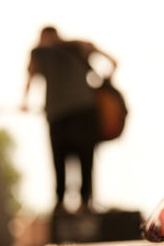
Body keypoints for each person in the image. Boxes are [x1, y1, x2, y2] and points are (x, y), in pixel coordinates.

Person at [21, 26, 117, 214]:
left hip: (78, 112)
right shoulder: (58, 50)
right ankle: (65, 205)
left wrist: (104, 85)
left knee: (79, 159)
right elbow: (113, 63)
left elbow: (113, 62)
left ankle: (82, 203)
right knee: (64, 161)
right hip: (67, 113)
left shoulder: (75, 47)